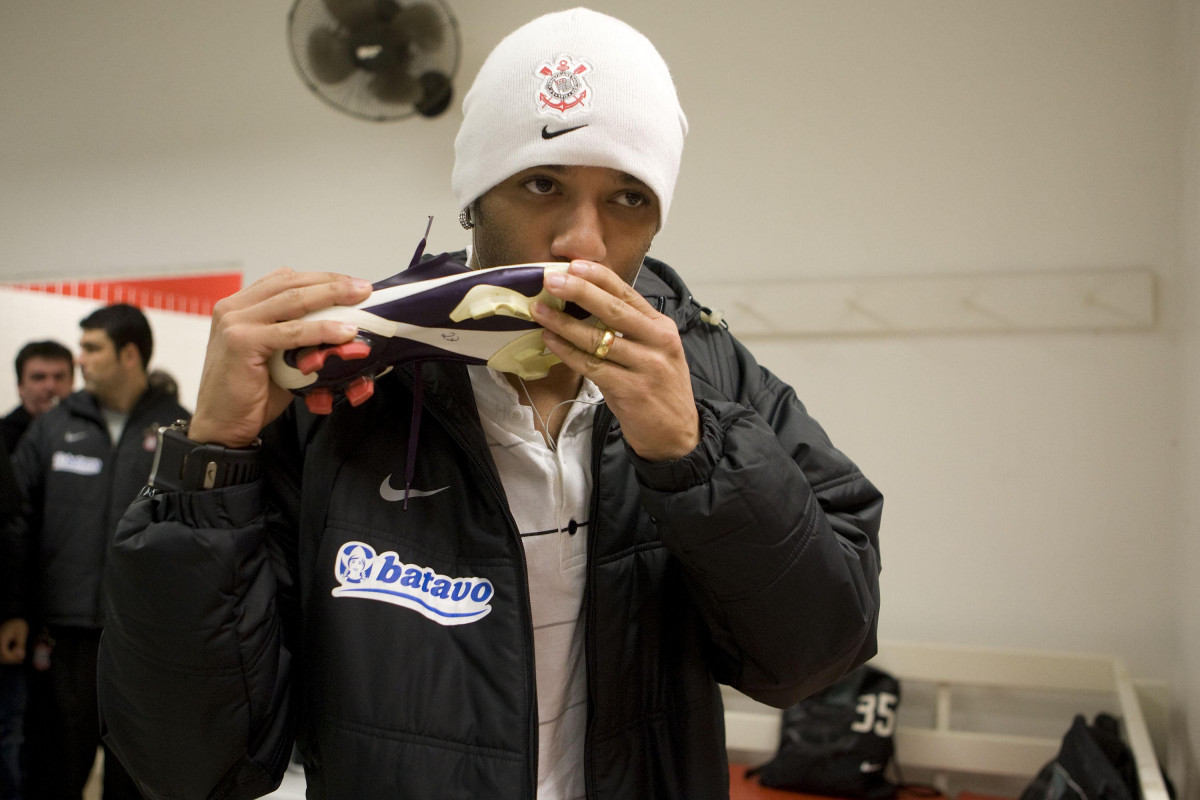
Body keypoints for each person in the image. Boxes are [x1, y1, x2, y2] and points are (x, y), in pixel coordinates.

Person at [98, 9, 883, 800]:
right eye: (542, 183)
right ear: (475, 196)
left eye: (628, 198)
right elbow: (189, 761)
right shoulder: (348, 384)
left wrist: (694, 452)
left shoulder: (708, 375)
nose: (582, 241)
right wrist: (213, 462)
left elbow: (811, 658)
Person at [3, 305, 189, 799]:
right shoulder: (54, 426)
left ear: (129, 354)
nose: (80, 359)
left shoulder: (178, 430)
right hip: (62, 637)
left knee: (135, 778)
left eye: (91, 348)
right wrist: (14, 611)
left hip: (144, 641)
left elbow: (200, 536)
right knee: (53, 771)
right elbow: (16, 524)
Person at [0, 339, 73, 800]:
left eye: (59, 377)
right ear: (20, 383)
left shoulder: (89, 434)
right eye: (38, 378)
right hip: (13, 608)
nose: (49, 387)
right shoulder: (4, 438)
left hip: (67, 609)